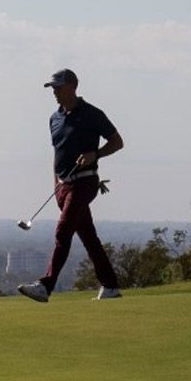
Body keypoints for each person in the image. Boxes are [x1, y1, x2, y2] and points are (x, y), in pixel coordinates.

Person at [18, 69, 124, 302]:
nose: (54, 91)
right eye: (52, 88)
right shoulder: (54, 118)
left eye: (57, 87)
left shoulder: (92, 114)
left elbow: (117, 142)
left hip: (85, 182)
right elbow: (57, 154)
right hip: (62, 186)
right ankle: (111, 285)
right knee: (88, 236)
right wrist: (56, 183)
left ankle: (45, 286)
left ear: (72, 86)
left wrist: (94, 154)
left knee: (63, 231)